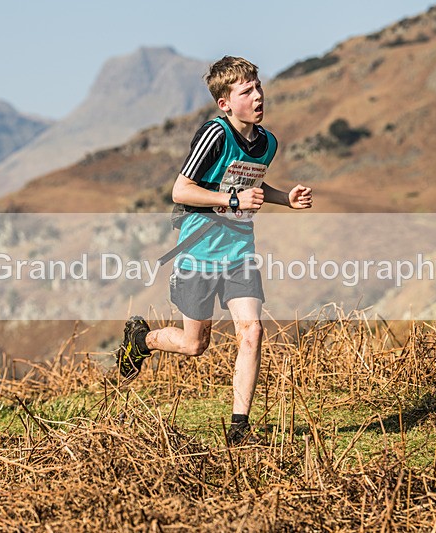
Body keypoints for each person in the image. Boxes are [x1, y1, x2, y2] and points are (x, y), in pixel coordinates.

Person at [116, 56, 312, 445]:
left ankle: (240, 429)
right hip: (199, 252)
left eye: (258, 87)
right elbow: (181, 191)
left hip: (239, 252)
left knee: (252, 331)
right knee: (195, 344)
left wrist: (284, 198)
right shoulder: (215, 135)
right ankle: (142, 341)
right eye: (246, 91)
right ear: (225, 103)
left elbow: (254, 187)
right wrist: (233, 201)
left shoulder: (267, 142)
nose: (258, 96)